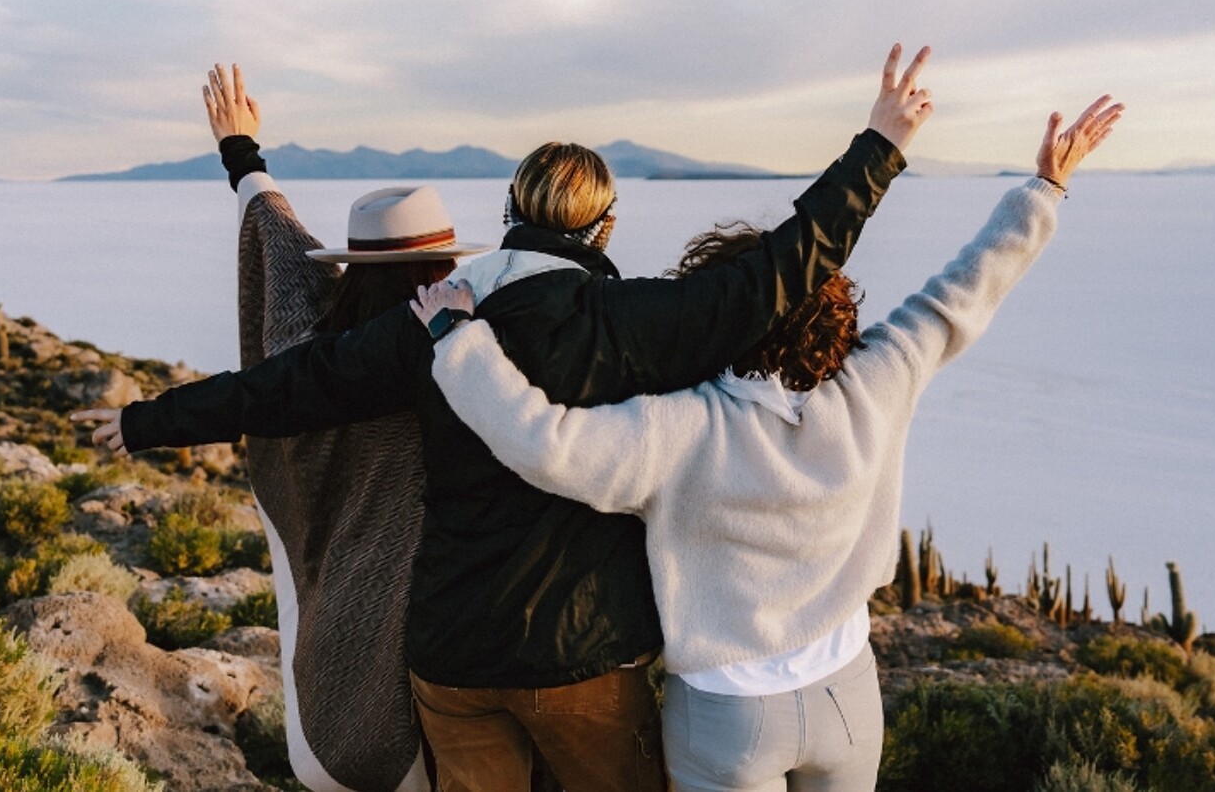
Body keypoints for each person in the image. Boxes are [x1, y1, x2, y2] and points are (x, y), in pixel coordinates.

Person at [79, 44, 937, 792]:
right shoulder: (628, 322)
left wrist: (149, 422)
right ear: (604, 225)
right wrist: (880, 146)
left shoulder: (428, 324)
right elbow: (782, 270)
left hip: (453, 661)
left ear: (509, 216)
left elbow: (281, 385)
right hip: (585, 662)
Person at [413, 95, 1123, 790]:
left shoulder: (678, 429)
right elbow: (965, 290)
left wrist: (460, 344)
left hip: (726, 714)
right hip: (845, 694)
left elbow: (545, 443)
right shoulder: (880, 379)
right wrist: (1046, 187)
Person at [78, 65, 490, 792]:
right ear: (446, 262)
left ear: (354, 267)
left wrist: (243, 154)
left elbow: (279, 245)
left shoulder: (316, 349)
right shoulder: (472, 346)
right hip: (457, 611)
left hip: (348, 594)